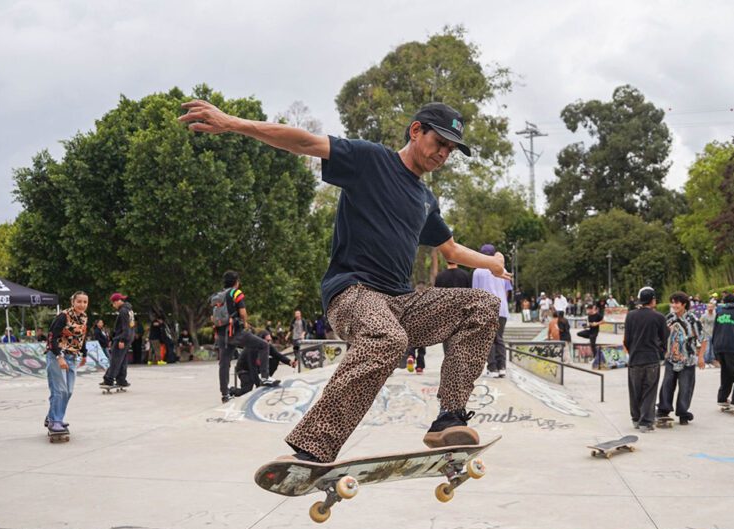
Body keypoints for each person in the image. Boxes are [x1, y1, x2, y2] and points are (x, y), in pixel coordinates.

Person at [181, 98, 507, 463]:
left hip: (401, 303)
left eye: (450, 149)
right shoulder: (370, 160)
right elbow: (304, 142)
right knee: (388, 337)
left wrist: (492, 265)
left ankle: (448, 417)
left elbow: (450, 249)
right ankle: (313, 446)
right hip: (353, 292)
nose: (443, 154)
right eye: (439, 142)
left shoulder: (425, 198)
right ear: (416, 131)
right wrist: (234, 124)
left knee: (482, 305)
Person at [215, 270, 278, 403]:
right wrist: (244, 324)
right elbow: (243, 313)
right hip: (236, 332)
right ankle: (265, 377)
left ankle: (225, 394)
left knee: (224, 364)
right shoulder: (236, 293)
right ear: (236, 282)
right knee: (263, 345)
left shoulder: (218, 296)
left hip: (222, 334)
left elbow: (213, 317)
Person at [44, 291, 89, 438]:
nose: (82, 305)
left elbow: (82, 336)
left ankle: (52, 415)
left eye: (85, 302)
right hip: (57, 355)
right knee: (60, 390)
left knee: (68, 391)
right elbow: (52, 337)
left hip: (72, 357)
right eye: (79, 301)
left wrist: (84, 353)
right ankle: (56, 420)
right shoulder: (63, 316)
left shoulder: (84, 317)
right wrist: (59, 356)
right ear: (73, 302)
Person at [623, 287, 667, 432]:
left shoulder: (630, 316)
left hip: (635, 359)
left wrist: (633, 351)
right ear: (653, 300)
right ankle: (646, 422)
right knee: (649, 390)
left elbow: (627, 339)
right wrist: (661, 351)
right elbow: (664, 339)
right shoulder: (659, 317)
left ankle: (635, 419)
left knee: (635, 390)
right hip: (651, 359)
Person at [658, 292, 703, 425]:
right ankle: (663, 410)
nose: (674, 305)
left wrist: (700, 357)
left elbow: (704, 338)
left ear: (684, 304)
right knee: (667, 384)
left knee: (685, 387)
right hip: (671, 358)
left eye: (677, 302)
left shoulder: (692, 319)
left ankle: (683, 413)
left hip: (687, 359)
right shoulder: (669, 318)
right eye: (672, 302)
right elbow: (662, 336)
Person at [472, 244, 511, 378]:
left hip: (486, 308)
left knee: (488, 339)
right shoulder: (502, 269)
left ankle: (492, 368)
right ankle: (502, 368)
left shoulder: (478, 271)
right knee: (499, 338)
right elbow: (506, 292)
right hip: (502, 309)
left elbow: (476, 294)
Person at [232, 330, 297, 396]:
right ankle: (232, 390)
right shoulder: (251, 348)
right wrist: (259, 385)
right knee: (247, 390)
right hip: (244, 369)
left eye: (269, 341)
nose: (268, 343)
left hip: (255, 367)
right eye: (267, 340)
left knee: (274, 360)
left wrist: (290, 362)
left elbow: (278, 355)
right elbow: (252, 367)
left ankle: (267, 378)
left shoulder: (267, 346)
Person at [101, 293, 135, 389]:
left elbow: (126, 327)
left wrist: (122, 340)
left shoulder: (123, 311)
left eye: (113, 303)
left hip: (122, 338)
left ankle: (109, 379)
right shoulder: (129, 310)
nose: (113, 305)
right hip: (128, 337)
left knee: (115, 359)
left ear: (117, 301)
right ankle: (121, 379)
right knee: (123, 360)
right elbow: (131, 326)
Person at [700, 299, 718, 367]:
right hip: (706, 334)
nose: (710, 308)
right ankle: (706, 361)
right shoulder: (704, 315)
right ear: (707, 308)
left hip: (714, 333)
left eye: (711, 307)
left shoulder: (715, 315)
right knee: (707, 348)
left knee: (713, 348)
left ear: (713, 308)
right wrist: (702, 330)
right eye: (709, 307)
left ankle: (712, 360)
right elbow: (700, 323)